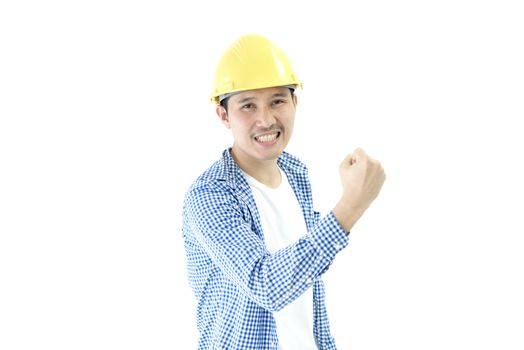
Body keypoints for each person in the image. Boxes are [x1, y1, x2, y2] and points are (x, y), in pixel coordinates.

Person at [182, 34, 386, 350]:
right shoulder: (210, 196)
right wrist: (351, 206)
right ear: (224, 115)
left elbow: (307, 271)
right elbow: (266, 285)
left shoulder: (296, 173)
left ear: (295, 103)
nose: (265, 119)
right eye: (247, 105)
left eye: (277, 100)